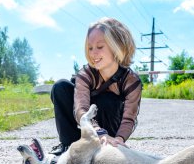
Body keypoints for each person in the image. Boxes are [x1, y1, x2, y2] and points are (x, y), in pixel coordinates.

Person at [50, 17, 142, 155]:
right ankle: (68, 145)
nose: (93, 53)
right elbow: (81, 109)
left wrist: (119, 139)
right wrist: (98, 131)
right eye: (90, 48)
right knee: (60, 87)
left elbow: (129, 118)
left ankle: (105, 147)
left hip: (109, 136)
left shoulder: (131, 81)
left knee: (108, 100)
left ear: (117, 46)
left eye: (100, 47)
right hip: (86, 127)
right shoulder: (85, 74)